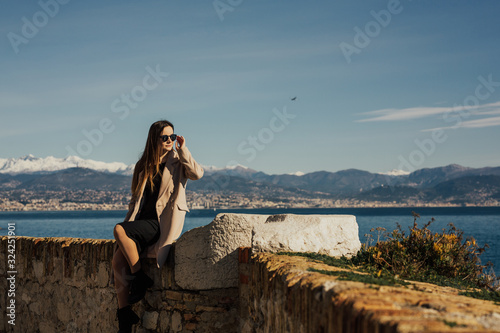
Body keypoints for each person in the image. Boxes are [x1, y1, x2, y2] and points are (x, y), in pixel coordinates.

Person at [112, 120, 204, 332]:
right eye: (165, 137)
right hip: (140, 222)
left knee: (118, 230)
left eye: (173, 136)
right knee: (117, 261)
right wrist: (128, 227)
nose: (170, 140)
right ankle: (124, 316)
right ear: (155, 139)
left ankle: (139, 278)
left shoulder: (178, 161)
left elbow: (197, 174)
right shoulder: (142, 165)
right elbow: (135, 202)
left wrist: (184, 149)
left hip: (159, 224)